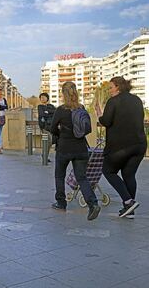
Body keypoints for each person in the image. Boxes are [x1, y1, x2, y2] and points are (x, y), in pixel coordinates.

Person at [95, 76, 146, 218]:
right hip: (139, 145)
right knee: (129, 175)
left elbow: (106, 121)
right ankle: (130, 211)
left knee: (108, 170)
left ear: (118, 86)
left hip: (120, 147)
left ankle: (129, 202)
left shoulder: (113, 101)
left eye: (111, 87)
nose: (109, 90)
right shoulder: (136, 100)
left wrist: (99, 115)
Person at [49, 81, 100, 221]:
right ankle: (93, 203)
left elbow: (52, 128)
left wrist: (60, 133)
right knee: (82, 177)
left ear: (63, 94)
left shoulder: (61, 110)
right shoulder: (81, 108)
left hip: (64, 148)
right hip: (80, 148)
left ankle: (61, 202)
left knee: (59, 176)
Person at [37, 92, 56, 162]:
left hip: (51, 126)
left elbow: (55, 111)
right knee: (49, 141)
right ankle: (44, 155)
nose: (42, 98)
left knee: (49, 142)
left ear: (47, 98)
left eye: (44, 97)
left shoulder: (51, 106)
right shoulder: (40, 106)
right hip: (44, 127)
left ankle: (45, 156)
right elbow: (42, 114)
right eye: (41, 97)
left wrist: (47, 112)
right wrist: (48, 113)